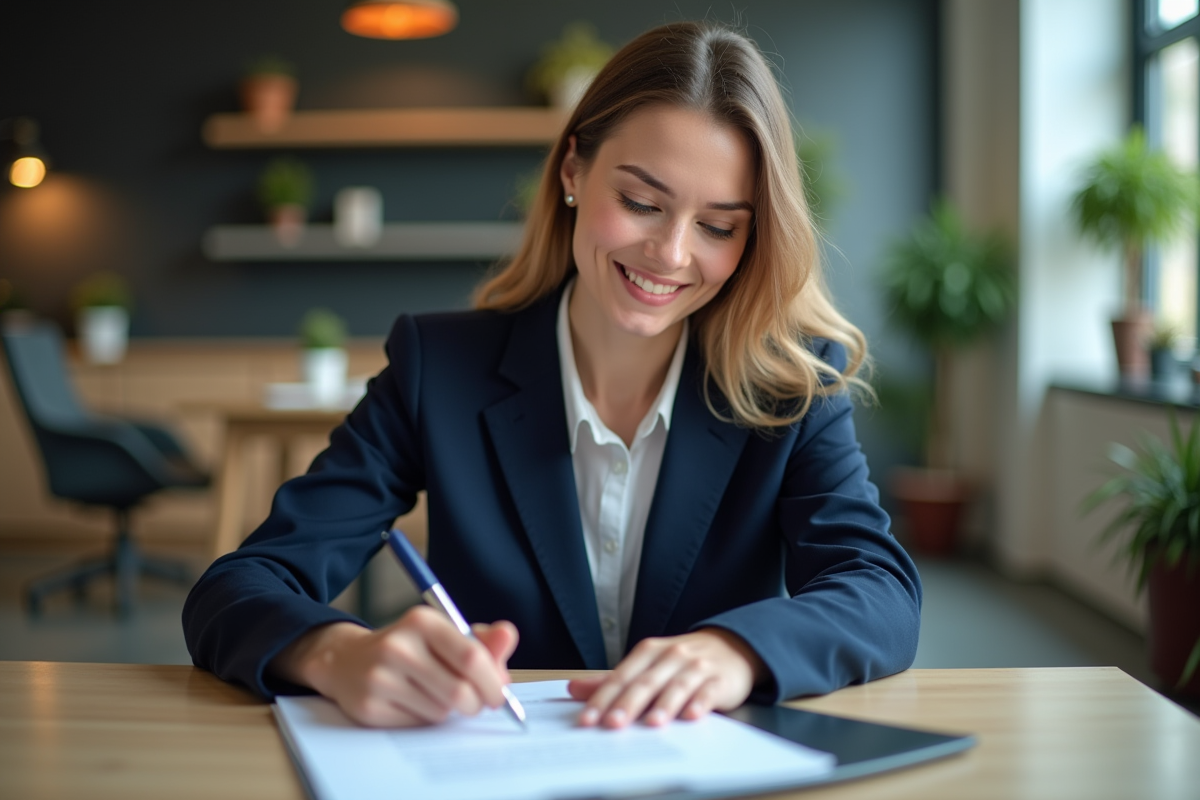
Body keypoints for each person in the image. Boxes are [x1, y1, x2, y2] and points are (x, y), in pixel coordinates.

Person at [183, 20, 921, 731]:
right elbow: (236, 588)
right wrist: (336, 653)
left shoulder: (793, 386)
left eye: (718, 226)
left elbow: (880, 592)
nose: (669, 254)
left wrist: (734, 653)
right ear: (573, 171)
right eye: (640, 202)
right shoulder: (437, 369)